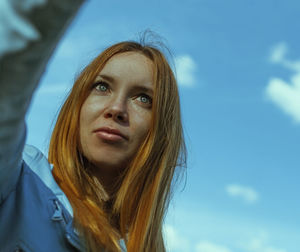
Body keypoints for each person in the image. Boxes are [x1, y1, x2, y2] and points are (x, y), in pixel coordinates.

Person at [0, 0, 186, 251]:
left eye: (143, 99)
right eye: (102, 87)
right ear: (77, 105)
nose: (117, 109)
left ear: (163, 132)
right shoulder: (17, 182)